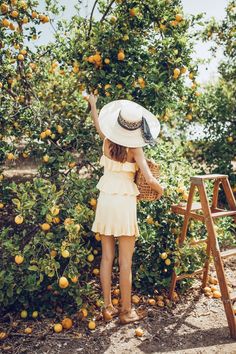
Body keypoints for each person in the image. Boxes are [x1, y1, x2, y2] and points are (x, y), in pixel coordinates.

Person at [88, 93, 164, 324]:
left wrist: (93, 105)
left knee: (106, 258)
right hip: (124, 204)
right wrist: (161, 190)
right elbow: (149, 179)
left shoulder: (106, 141)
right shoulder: (136, 149)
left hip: (105, 201)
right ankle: (126, 311)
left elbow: (99, 125)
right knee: (126, 262)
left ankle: (108, 307)